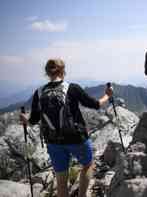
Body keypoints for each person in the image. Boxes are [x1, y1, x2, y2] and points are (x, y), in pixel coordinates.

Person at [20, 59, 113, 197]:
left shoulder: (39, 93)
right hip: (77, 138)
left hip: (54, 141)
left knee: (61, 179)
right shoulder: (72, 88)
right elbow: (95, 104)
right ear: (63, 71)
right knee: (87, 165)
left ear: (47, 73)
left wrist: (24, 119)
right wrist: (107, 95)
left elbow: (33, 120)